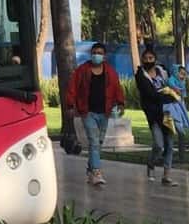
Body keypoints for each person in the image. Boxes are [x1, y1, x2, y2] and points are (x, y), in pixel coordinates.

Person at [65, 43, 126, 186]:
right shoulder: (82, 70)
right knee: (93, 141)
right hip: (88, 112)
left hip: (104, 112)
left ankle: (90, 169)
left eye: (99, 52)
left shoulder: (110, 72)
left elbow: (117, 87)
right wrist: (70, 105)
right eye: (94, 52)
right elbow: (72, 87)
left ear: (104, 56)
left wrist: (121, 103)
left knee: (98, 143)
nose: (96, 55)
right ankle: (97, 172)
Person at [135, 48, 178, 186]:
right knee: (159, 145)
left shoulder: (163, 72)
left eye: (151, 58)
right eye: (146, 58)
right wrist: (168, 95)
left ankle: (166, 176)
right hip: (154, 115)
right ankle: (151, 163)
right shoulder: (141, 76)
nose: (148, 61)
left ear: (155, 59)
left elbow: (174, 85)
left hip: (168, 113)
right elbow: (150, 95)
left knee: (169, 145)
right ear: (142, 60)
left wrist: (174, 92)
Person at [166, 64, 189, 162]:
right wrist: (177, 89)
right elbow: (175, 91)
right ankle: (169, 155)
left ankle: (181, 156)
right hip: (170, 110)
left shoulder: (181, 82)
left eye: (184, 74)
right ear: (175, 72)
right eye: (180, 73)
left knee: (181, 133)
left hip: (179, 109)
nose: (182, 76)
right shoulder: (170, 81)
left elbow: (182, 95)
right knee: (171, 132)